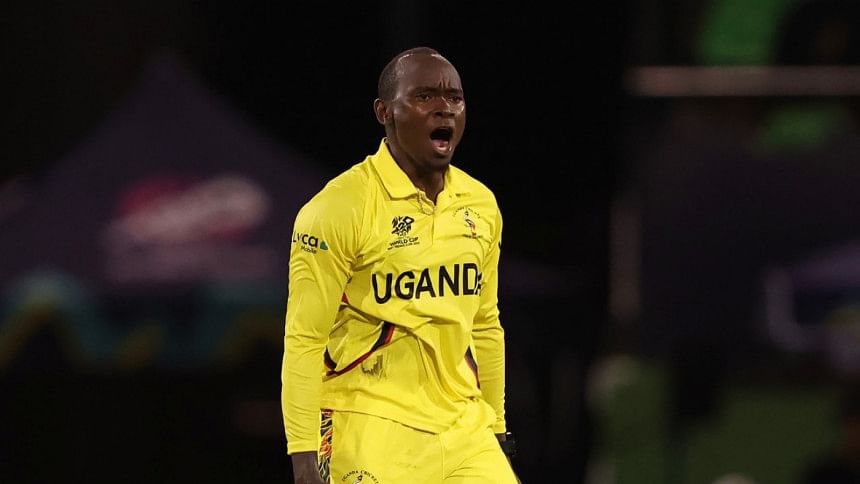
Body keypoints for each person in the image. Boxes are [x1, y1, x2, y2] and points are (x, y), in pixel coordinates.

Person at [281, 47, 519, 483]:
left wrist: (498, 427)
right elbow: (304, 339)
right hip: (367, 420)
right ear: (384, 112)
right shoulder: (338, 208)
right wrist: (303, 456)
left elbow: (485, 324)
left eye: (454, 98)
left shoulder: (481, 205)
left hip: (463, 427)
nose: (444, 108)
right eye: (425, 96)